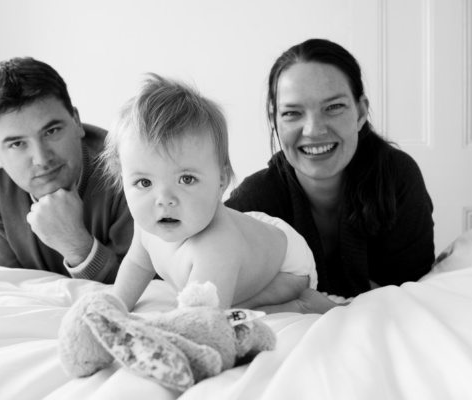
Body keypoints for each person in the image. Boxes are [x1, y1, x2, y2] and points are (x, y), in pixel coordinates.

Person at [225, 38, 435, 311]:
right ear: (274, 120)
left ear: (360, 112)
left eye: (333, 107)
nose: (313, 130)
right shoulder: (258, 197)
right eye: (292, 113)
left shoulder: (397, 179)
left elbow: (413, 289)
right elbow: (190, 256)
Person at [100, 74, 318, 311]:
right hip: (249, 234)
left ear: (221, 180)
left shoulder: (216, 247)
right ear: (123, 180)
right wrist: (113, 307)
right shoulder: (147, 225)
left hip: (286, 264)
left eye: (186, 179)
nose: (164, 200)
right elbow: (138, 264)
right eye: (144, 183)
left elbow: (202, 320)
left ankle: (304, 304)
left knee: (237, 311)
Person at [0, 57, 133, 283]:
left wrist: (78, 246)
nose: (42, 159)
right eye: (17, 144)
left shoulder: (127, 165)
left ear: (76, 122)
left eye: (51, 131)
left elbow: (142, 289)